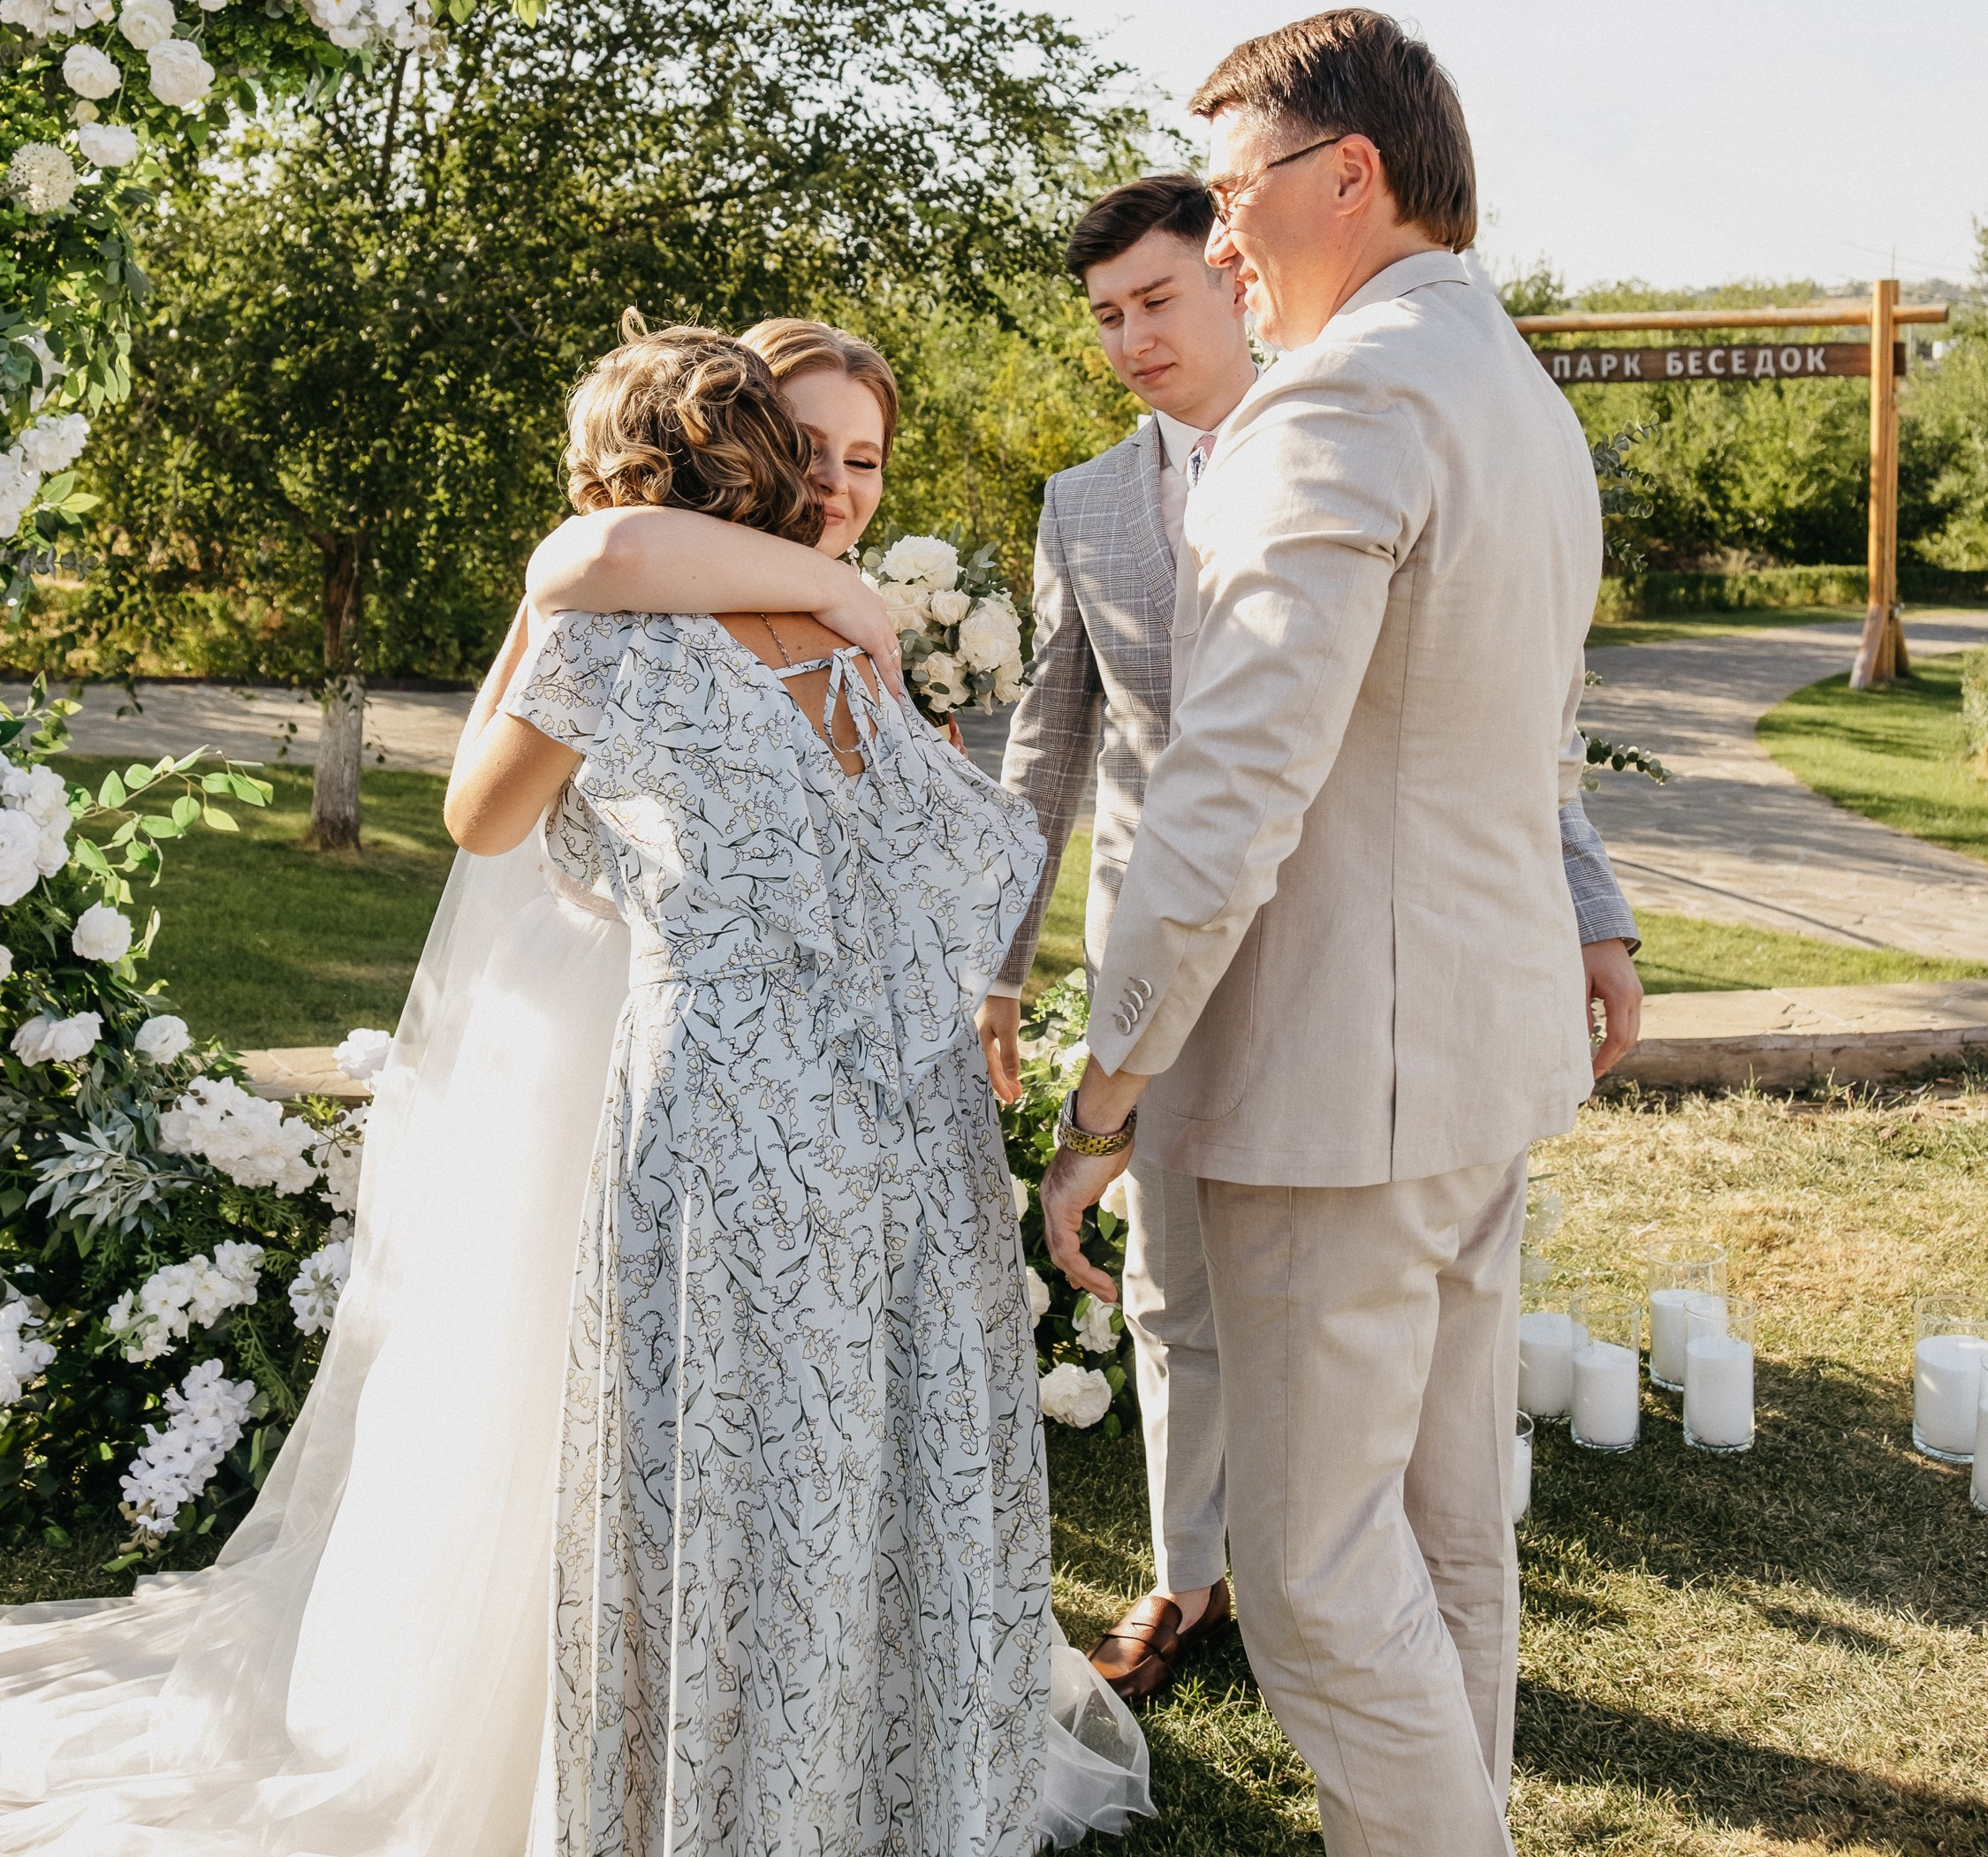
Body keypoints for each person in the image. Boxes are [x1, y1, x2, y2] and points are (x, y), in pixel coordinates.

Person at [0, 317, 1148, 1855]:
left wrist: (533, 655)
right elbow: (967, 876)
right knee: (861, 1442)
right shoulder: (859, 658)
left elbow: (479, 818)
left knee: (708, 1462)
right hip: (896, 1116)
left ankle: (700, 1795)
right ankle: (880, 1773)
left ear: (631, 476)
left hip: (721, 1108)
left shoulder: (605, 640)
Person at [1040, 11, 1606, 1857]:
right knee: (1446, 1529)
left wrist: (1111, 1082)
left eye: (1229, 192)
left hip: (1333, 1093)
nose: (1214, 244)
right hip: (1473, 1070)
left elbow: (1231, 790)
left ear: (1345, 174)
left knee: (1304, 1573)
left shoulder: (1341, 396)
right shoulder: (1515, 389)